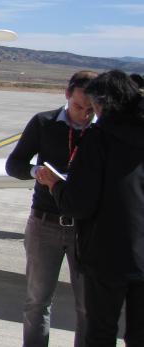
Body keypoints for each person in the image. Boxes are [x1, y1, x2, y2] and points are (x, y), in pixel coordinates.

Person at [42, 70, 144, 346]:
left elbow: (79, 204)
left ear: (103, 103)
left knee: (100, 331)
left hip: (106, 255)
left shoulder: (99, 139)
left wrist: (54, 185)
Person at [5, 70, 96, 346]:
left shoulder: (102, 130)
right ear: (68, 95)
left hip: (87, 229)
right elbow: (14, 164)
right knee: (37, 302)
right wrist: (37, 173)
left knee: (89, 307)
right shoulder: (43, 123)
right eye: (79, 107)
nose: (84, 114)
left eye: (91, 110)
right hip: (45, 225)